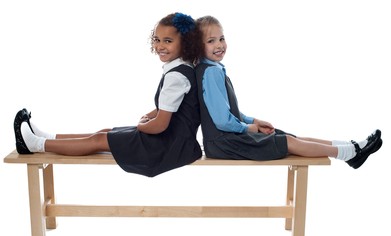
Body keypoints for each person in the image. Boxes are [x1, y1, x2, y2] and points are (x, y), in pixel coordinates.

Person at [13, 12, 203, 177]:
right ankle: (48, 137)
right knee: (105, 133)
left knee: (98, 140)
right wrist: (151, 115)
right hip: (172, 140)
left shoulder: (177, 75)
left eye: (167, 41)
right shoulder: (180, 68)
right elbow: (172, 107)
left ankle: (35, 144)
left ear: (185, 43)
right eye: (157, 39)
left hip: (168, 147)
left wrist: (141, 126)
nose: (160, 45)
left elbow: (161, 125)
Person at [195, 15, 382, 169]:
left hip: (227, 140)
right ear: (198, 46)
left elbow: (227, 111)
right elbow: (221, 120)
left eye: (222, 38)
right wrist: (247, 128)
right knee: (288, 142)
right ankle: (351, 153)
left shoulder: (214, 69)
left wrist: (253, 121)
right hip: (224, 143)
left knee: (291, 138)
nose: (219, 45)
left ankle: (351, 147)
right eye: (211, 41)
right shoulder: (211, 72)